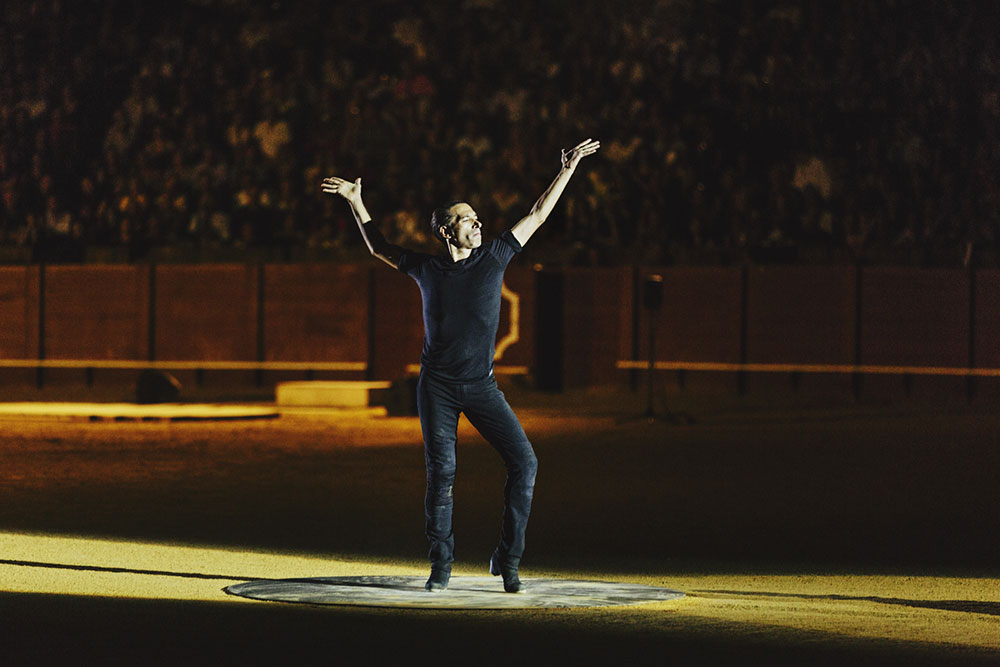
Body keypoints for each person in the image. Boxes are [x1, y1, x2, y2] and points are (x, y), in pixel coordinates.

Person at [322, 138, 600, 593]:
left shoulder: (495, 257)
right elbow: (378, 247)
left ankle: (507, 562)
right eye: (467, 218)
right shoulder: (426, 269)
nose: (478, 222)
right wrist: (357, 201)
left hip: (482, 387)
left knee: (525, 464)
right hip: (437, 388)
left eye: (477, 217)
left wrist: (566, 169)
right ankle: (441, 565)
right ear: (446, 231)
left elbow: (538, 214)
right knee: (443, 473)